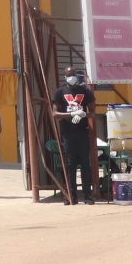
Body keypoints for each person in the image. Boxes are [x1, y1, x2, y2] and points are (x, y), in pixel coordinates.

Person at [51, 65, 96, 204]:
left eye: (73, 74)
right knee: (70, 165)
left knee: (85, 164)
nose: (72, 77)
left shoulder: (85, 92)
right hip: (68, 133)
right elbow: (54, 114)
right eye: (69, 75)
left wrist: (83, 114)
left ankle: (87, 195)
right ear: (65, 77)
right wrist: (71, 114)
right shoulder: (60, 92)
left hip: (83, 132)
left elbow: (93, 113)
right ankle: (71, 196)